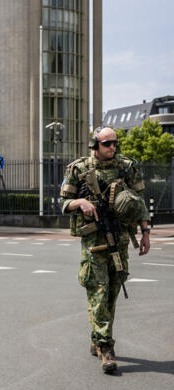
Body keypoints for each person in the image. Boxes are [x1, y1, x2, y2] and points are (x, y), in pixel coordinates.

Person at [60, 126, 150, 373]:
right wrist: (80, 202)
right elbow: (63, 202)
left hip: (120, 238)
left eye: (115, 143)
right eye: (107, 143)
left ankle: (97, 337)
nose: (112, 147)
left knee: (112, 291)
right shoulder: (79, 169)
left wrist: (146, 233)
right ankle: (106, 347)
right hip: (94, 241)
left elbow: (141, 202)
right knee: (98, 292)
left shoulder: (127, 167)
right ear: (95, 145)